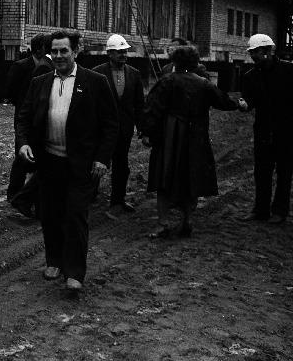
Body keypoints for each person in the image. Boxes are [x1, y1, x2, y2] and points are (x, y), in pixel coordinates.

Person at [16, 30, 119, 294]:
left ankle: (74, 272)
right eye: (55, 51)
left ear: (76, 51)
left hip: (81, 164)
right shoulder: (40, 82)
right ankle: (54, 261)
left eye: (64, 51)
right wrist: (24, 143)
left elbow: (110, 124)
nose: (59, 56)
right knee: (50, 214)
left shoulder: (94, 82)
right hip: (49, 162)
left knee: (75, 216)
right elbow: (24, 118)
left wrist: (102, 159)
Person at [141, 45, 238, 238]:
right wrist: (239, 104)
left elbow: (152, 108)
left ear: (175, 61)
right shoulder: (203, 83)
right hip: (196, 138)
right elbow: (223, 101)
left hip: (169, 138)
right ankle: (187, 221)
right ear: (195, 62)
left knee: (164, 177)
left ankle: (163, 223)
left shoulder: (167, 81)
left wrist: (147, 133)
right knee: (190, 177)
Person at [237, 33, 293, 224]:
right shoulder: (250, 77)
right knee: (262, 172)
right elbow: (249, 101)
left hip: (286, 131)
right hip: (262, 130)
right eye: (252, 53)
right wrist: (245, 105)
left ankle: (280, 211)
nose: (254, 56)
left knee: (284, 172)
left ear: (269, 51)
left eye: (257, 52)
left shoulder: (289, 71)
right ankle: (260, 210)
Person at [92, 34, 145, 212]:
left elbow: (139, 104)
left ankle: (118, 200)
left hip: (124, 129)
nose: (123, 55)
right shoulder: (97, 73)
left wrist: (142, 128)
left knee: (121, 164)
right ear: (110, 53)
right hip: (102, 129)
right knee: (98, 161)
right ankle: (90, 197)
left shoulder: (134, 74)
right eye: (119, 52)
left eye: (125, 51)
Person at [6, 33, 53, 217]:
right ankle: (16, 194)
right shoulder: (22, 65)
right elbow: (10, 90)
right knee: (22, 157)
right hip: (25, 116)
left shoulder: (45, 65)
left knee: (31, 158)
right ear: (40, 48)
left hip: (35, 118)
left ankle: (26, 197)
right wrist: (24, 105)